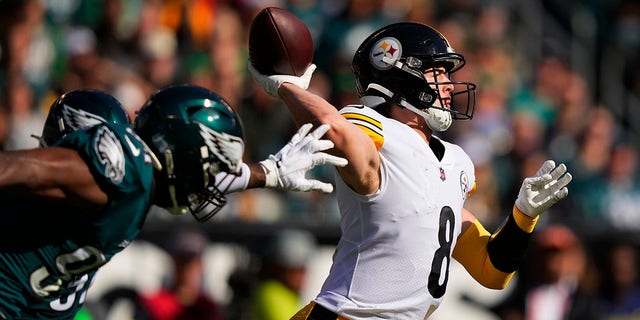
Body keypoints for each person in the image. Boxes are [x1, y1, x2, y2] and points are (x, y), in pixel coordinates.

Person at [249, 22, 573, 319]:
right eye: (439, 73)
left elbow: (492, 271)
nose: (448, 85)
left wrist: (523, 215)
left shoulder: (454, 161)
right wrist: (289, 87)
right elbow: (335, 132)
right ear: (399, 75)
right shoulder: (375, 130)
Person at [0, 86, 346, 319]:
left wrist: (266, 172)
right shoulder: (123, 167)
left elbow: (198, 172)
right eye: (210, 166)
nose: (211, 182)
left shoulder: (142, 177)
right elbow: (17, 170)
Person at [140, 227, 226, 320]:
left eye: (192, 261)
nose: (187, 268)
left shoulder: (209, 307)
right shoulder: (154, 303)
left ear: (201, 265)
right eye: (182, 261)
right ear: (173, 263)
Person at [251, 229, 318, 320]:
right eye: (293, 271)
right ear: (279, 268)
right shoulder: (270, 292)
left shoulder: (291, 294)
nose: (299, 277)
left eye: (302, 270)